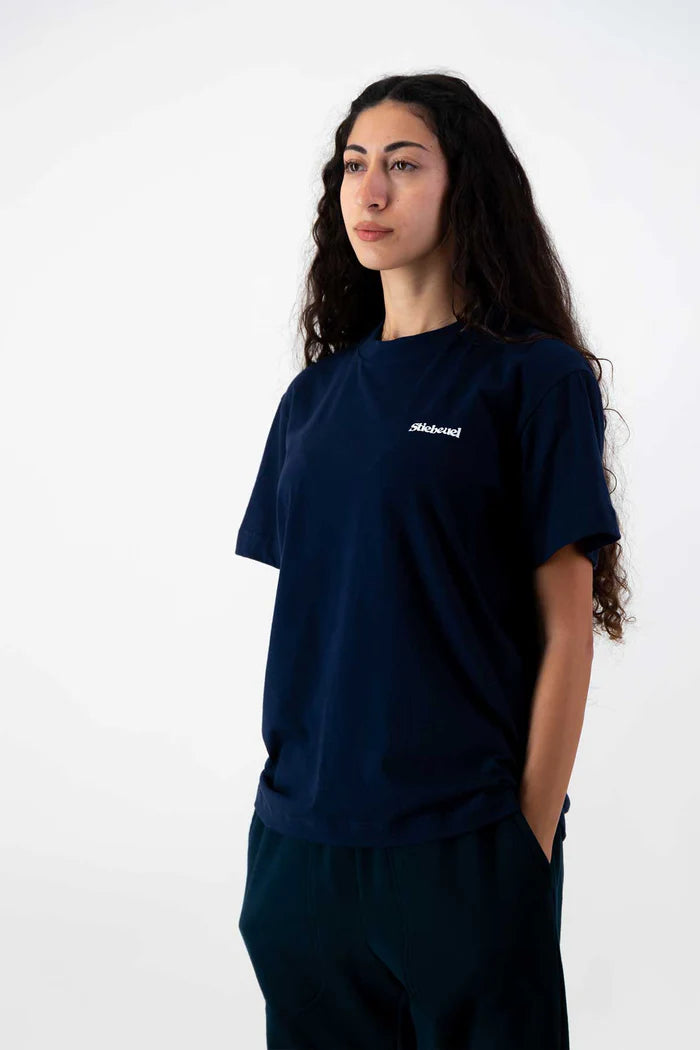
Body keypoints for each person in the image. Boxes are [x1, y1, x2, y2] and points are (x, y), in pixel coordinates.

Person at [234, 71, 632, 1050]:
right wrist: (281, 840)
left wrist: (524, 839)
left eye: (404, 165)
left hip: (463, 846)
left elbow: (566, 628)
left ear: (466, 187)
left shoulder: (533, 379)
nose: (370, 191)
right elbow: (330, 618)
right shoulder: (313, 401)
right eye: (354, 165)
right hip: (301, 853)